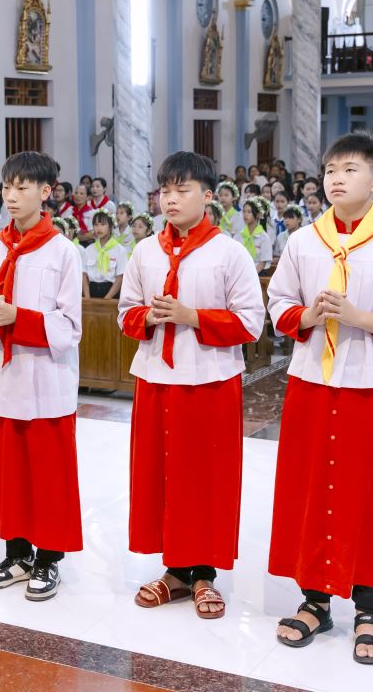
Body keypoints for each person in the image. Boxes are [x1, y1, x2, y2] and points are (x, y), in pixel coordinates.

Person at [267, 132, 373, 666]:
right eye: (330, 170)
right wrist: (308, 315)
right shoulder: (303, 241)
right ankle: (315, 601)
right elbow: (278, 302)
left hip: (372, 385)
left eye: (350, 169)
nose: (336, 179)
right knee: (310, 487)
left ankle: (369, 609)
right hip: (312, 383)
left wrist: (360, 318)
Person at [118, 151, 264, 620]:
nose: (171, 199)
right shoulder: (145, 251)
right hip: (156, 379)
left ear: (208, 196)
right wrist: (149, 316)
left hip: (209, 381)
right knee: (161, 474)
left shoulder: (229, 252)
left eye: (183, 190)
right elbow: (125, 313)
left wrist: (191, 316)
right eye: (165, 190)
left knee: (206, 478)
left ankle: (205, 573)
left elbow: (251, 323)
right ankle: (175, 571)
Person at [0, 151, 82, 602]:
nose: (11, 196)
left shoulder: (63, 251)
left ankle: (48, 558)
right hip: (3, 374)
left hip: (45, 377)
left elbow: (70, 325)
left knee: (47, 474)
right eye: (7, 186)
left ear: (45, 192)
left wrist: (20, 317)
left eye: (23, 187)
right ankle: (16, 554)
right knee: (8, 472)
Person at [83, 210, 127, 299]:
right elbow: (84, 276)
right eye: (96, 225)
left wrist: (107, 299)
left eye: (103, 225)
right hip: (91, 292)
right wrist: (87, 298)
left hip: (111, 293)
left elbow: (120, 277)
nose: (99, 228)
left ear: (110, 226)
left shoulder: (120, 250)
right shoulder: (88, 250)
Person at [239, 197, 270, 274]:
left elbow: (263, 263)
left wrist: (251, 275)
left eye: (249, 212)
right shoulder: (240, 235)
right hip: (241, 272)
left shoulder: (264, 237)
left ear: (258, 215)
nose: (245, 215)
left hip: (258, 273)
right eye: (244, 212)